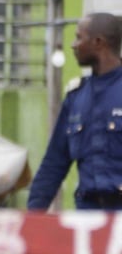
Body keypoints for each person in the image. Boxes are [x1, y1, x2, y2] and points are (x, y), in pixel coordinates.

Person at [27, 12, 122, 210]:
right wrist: (32, 216)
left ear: (98, 42)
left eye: (79, 37)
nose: (73, 45)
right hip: (88, 215)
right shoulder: (76, 96)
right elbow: (54, 163)